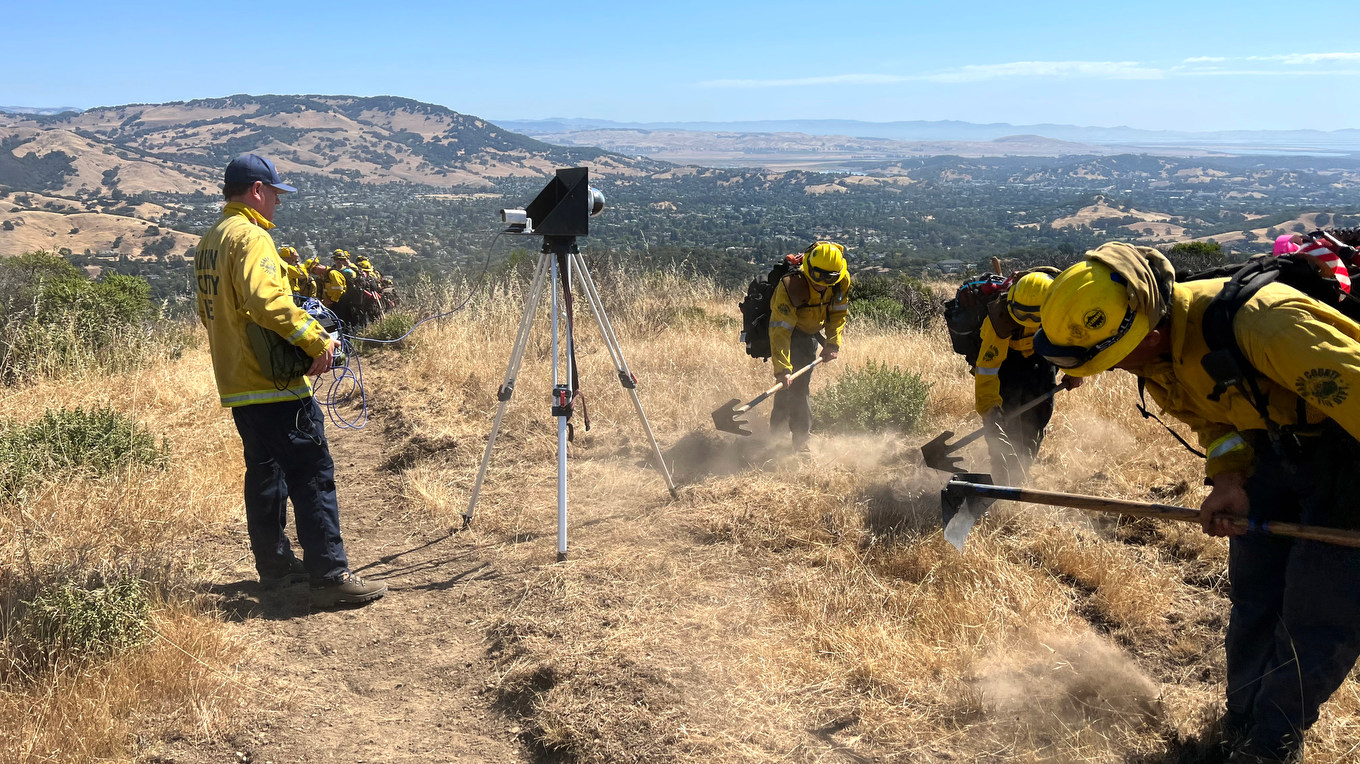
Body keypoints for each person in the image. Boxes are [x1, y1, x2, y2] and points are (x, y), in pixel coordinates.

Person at [1035, 241, 1360, 763]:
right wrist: (1229, 479)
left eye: (1118, 360)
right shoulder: (1154, 354)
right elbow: (1215, 420)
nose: (1117, 370)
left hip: (1349, 458)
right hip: (1273, 454)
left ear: (1154, 331)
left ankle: (1270, 743)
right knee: (1256, 598)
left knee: (1318, 613)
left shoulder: (1268, 324)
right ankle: (1242, 719)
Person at [193, 153, 386, 609]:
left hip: (239, 383)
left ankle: (277, 572)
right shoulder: (251, 237)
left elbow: (208, 312)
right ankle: (330, 576)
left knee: (265, 474)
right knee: (312, 472)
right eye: (276, 195)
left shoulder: (211, 240)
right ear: (257, 190)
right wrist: (317, 341)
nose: (278, 204)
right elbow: (267, 302)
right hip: (274, 384)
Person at [973, 270, 1077, 483]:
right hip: (1008, 363)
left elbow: (1077, 340)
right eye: (1022, 315)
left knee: (1038, 417)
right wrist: (989, 408)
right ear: (1012, 304)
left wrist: (1076, 372)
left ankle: (1021, 472)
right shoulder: (999, 321)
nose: (1028, 321)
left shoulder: (1061, 310)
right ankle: (1002, 476)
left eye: (1034, 316)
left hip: (1041, 358)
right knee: (1004, 422)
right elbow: (987, 368)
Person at [768, 240, 850, 452]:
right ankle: (796, 442)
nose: (822, 283)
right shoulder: (789, 285)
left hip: (810, 333)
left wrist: (833, 343)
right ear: (809, 269)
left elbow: (838, 314)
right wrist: (783, 369)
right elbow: (780, 330)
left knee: (797, 385)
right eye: (817, 277)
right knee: (796, 385)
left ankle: (781, 435)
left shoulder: (841, 281)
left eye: (828, 278)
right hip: (792, 333)